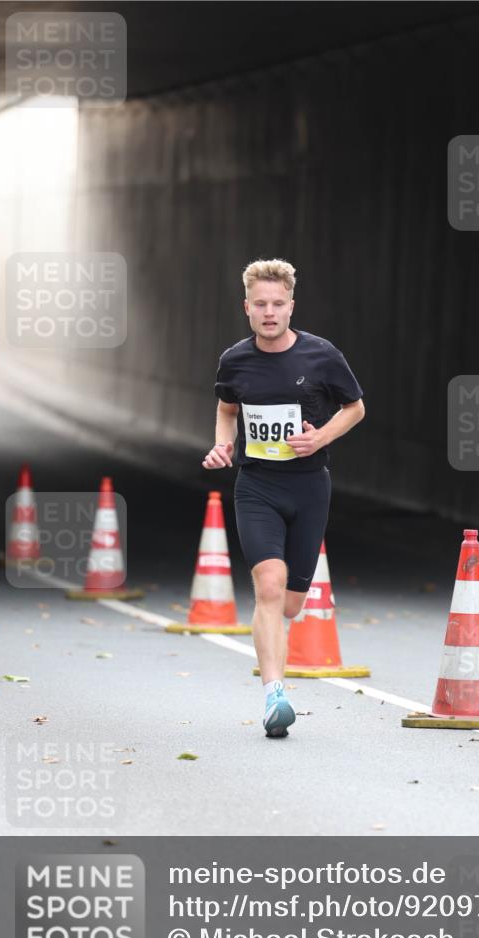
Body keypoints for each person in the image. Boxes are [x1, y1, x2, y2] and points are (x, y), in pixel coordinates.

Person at [202, 259, 365, 737]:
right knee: (268, 586)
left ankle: (278, 668)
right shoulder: (235, 360)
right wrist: (222, 443)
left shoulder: (321, 356)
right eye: (260, 305)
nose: (269, 313)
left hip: (310, 487)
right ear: (246, 308)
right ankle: (275, 695)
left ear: (291, 306)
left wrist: (321, 438)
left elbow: (355, 407)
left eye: (277, 304)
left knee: (292, 604)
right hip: (257, 488)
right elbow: (226, 408)